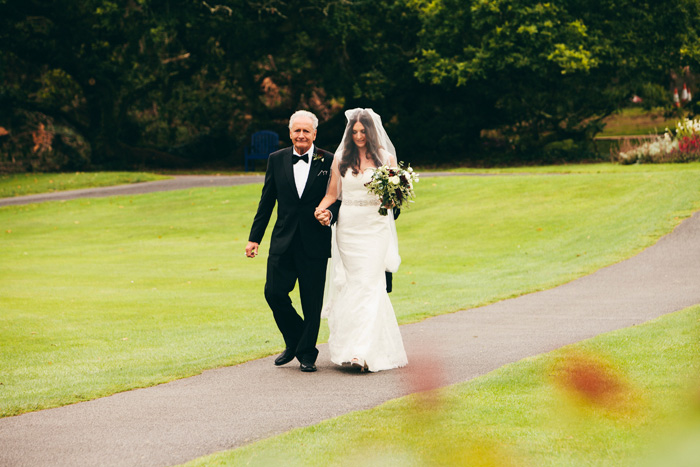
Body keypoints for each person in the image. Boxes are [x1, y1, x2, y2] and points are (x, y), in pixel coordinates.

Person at [314, 108, 408, 372]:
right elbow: (332, 194)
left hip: (375, 227)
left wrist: (392, 197)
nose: (358, 136)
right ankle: (350, 346)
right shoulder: (341, 158)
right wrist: (321, 209)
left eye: (362, 131)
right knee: (354, 284)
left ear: (371, 131)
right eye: (354, 132)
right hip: (348, 227)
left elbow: (394, 199)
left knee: (369, 283)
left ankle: (361, 352)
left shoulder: (386, 159)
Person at [246, 110, 339, 373]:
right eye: (297, 131)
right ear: (290, 133)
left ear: (315, 134)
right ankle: (297, 339)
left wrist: (330, 214)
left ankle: (307, 354)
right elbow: (266, 201)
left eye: (306, 131)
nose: (301, 135)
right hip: (282, 240)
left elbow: (338, 198)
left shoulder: (329, 160)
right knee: (273, 293)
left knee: (311, 302)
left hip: (315, 242)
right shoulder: (276, 159)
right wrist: (255, 238)